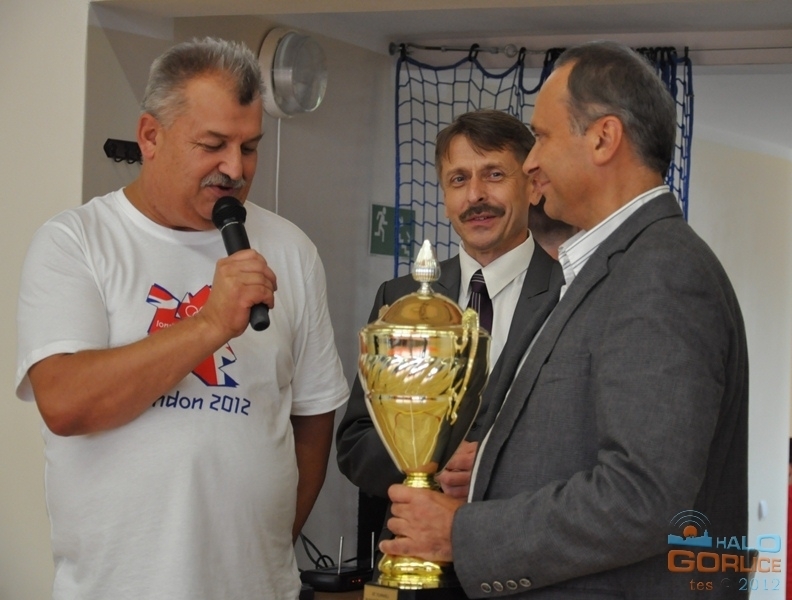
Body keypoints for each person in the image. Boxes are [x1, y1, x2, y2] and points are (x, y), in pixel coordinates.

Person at [379, 41, 749, 599]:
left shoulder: (660, 271)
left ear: (603, 139)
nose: (531, 162)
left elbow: (643, 496)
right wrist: (492, 464)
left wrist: (464, 533)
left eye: (543, 137)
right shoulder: (611, 264)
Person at [15, 38, 348, 600]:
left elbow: (313, 418)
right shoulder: (76, 242)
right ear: (151, 136)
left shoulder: (291, 250)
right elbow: (66, 403)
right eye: (213, 145)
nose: (235, 169)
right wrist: (209, 325)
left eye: (249, 147)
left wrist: (265, 550)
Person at [337, 109, 569, 515]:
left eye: (494, 174)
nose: (475, 195)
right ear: (445, 199)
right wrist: (426, 463)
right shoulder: (400, 298)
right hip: (415, 538)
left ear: (533, 186)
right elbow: (356, 442)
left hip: (521, 538)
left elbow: (586, 443)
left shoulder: (571, 294)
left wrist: (495, 468)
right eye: (459, 179)